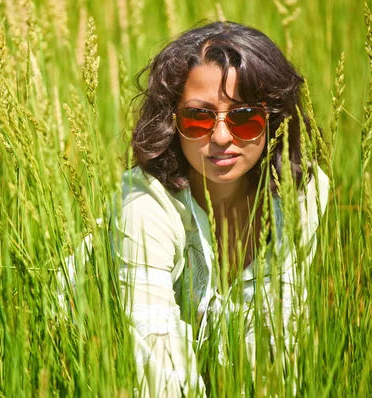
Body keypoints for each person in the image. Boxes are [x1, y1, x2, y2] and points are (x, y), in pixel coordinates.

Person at [110, 21, 329, 396]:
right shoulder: (143, 204)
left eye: (244, 117)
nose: (222, 137)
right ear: (172, 122)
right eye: (199, 117)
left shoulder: (304, 194)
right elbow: (157, 367)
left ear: (273, 118)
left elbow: (282, 349)